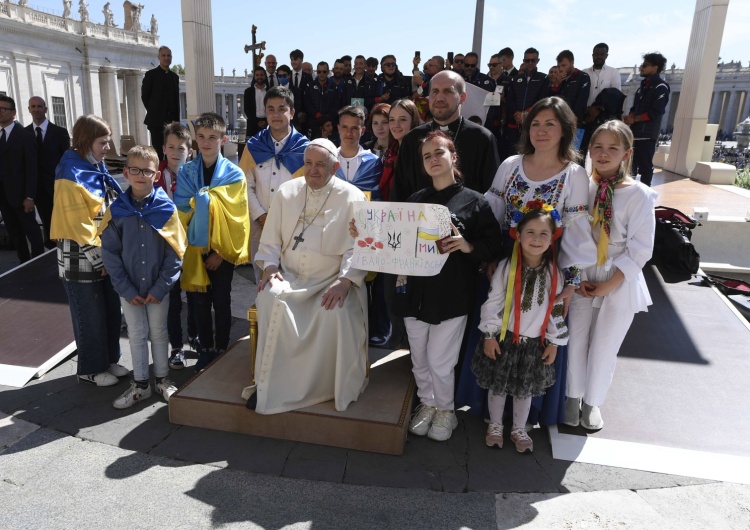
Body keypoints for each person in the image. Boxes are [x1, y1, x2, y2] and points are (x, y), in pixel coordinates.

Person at [459, 97, 597, 425]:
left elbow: (576, 230)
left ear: (565, 130)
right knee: (495, 334)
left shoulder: (575, 174)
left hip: (545, 277)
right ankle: (488, 411)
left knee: (535, 340)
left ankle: (523, 418)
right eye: (535, 123)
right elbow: (492, 216)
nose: (541, 130)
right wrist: (489, 258)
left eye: (550, 123)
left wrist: (571, 281)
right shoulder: (510, 165)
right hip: (504, 270)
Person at [377, 131, 501, 441]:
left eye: (439, 153)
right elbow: (394, 242)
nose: (433, 160)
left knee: (441, 360)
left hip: (451, 295)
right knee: (418, 356)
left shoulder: (475, 201)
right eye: (427, 156)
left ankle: (447, 410)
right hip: (413, 292)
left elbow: (494, 245)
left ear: (453, 157)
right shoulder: (415, 201)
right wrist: (367, 230)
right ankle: (428, 404)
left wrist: (467, 245)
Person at [244, 138, 369, 414]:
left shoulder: (353, 197)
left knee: (334, 312)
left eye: (320, 165)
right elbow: (270, 241)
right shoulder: (287, 192)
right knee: (270, 298)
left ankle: (322, 387)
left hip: (331, 280)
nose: (312, 170)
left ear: (335, 167)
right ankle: (268, 384)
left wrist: (345, 281)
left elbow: (359, 248)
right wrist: (270, 268)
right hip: (288, 276)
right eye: (308, 163)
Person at [565, 120, 657, 430]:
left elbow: (642, 248)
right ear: (588, 149)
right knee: (575, 335)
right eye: (598, 146)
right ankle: (572, 397)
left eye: (613, 148)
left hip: (618, 276)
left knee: (606, 342)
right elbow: (572, 231)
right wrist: (575, 274)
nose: (604, 154)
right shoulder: (582, 186)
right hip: (582, 269)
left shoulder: (640, 195)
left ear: (627, 153)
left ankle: (593, 401)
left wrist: (611, 284)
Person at [473, 205, 568, 453]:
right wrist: (490, 335)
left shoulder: (554, 273)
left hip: (533, 345)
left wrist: (555, 342)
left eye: (543, 233)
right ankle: (495, 425)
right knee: (498, 386)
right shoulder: (506, 267)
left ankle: (518, 428)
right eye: (530, 232)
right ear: (518, 234)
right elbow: (493, 301)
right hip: (504, 340)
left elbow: (556, 311)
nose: (536, 239)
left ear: (553, 238)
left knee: (524, 391)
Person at [100, 145, 187, 408]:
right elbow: (111, 253)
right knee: (137, 334)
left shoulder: (166, 209)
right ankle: (140, 384)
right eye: (134, 170)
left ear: (156, 175)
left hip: (157, 288)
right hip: (130, 289)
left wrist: (161, 287)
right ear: (125, 172)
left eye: (147, 171)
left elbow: (175, 253)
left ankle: (162, 379)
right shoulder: (117, 210)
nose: (140, 175)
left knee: (159, 333)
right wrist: (125, 288)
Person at [50, 114, 126, 386]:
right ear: (86, 140)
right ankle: (90, 369)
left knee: (109, 310)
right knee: (89, 315)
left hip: (102, 255)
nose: (108, 147)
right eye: (102, 142)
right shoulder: (70, 171)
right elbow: (78, 225)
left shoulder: (94, 166)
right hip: (81, 259)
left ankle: (109, 360)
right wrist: (101, 260)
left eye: (108, 141)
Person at [174, 113, 250, 372]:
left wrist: (220, 252)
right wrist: (203, 203)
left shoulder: (234, 174)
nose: (207, 142)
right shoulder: (186, 171)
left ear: (223, 139)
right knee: (198, 302)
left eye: (213, 137)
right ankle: (205, 349)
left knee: (221, 300)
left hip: (220, 253)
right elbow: (181, 208)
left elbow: (237, 217)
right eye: (202, 137)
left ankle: (221, 348)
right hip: (195, 249)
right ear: (196, 139)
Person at [392, 70, 500, 201]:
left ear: (462, 97)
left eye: (448, 91)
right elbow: (400, 192)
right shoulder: (412, 139)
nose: (440, 98)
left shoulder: (482, 138)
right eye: (435, 91)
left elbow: (491, 195)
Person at [240, 86, 309, 283]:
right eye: (270, 109)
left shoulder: (305, 148)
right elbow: (245, 184)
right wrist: (261, 216)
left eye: (282, 109)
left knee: (290, 278)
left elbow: (308, 190)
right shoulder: (253, 146)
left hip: (293, 226)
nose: (276, 114)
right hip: (259, 224)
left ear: (292, 112)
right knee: (261, 278)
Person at [153, 122, 197, 369]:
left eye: (181, 148)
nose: (176, 152)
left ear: (189, 151)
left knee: (195, 294)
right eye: (171, 147)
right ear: (163, 149)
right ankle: (177, 347)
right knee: (173, 298)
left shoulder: (195, 174)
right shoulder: (155, 175)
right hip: (166, 247)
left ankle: (194, 335)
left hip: (192, 244)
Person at [0, 95, 44, 263]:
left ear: (14, 113)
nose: (0, 113)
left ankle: (39, 262)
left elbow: (32, 169)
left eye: (3, 109)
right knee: (14, 233)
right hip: (3, 196)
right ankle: (23, 263)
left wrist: (30, 196)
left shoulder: (25, 136)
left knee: (32, 231)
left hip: (22, 196)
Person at [26, 96, 71, 249]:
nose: (36, 109)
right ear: (29, 110)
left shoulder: (59, 132)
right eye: (33, 106)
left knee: (61, 218)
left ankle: (64, 246)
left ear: (45, 109)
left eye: (39, 106)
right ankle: (51, 251)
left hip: (57, 184)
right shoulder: (24, 134)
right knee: (46, 219)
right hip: (37, 187)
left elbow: (66, 160)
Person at [623, 52, 670, 187]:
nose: (641, 68)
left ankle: (644, 196)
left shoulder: (661, 87)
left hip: (647, 135)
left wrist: (635, 119)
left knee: (645, 168)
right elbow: (635, 106)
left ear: (655, 68)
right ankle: (630, 193)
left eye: (645, 65)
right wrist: (630, 116)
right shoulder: (642, 87)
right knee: (630, 167)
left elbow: (656, 112)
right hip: (635, 134)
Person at [503, 48, 549, 161]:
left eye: (532, 60)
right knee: (513, 157)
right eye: (527, 60)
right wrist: (517, 115)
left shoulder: (544, 79)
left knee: (532, 156)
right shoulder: (515, 80)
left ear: (537, 61)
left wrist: (527, 114)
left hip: (533, 125)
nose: (530, 63)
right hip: (515, 126)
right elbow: (510, 101)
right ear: (523, 60)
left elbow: (543, 100)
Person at [141, 46, 180, 158]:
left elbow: (176, 100)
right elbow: (145, 97)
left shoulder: (174, 77)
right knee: (158, 151)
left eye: (169, 55)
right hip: (156, 122)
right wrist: (155, 111)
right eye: (163, 55)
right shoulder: (151, 75)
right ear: (158, 57)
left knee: (172, 150)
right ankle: (159, 174)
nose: (166, 58)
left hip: (172, 122)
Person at [335, 106, 382, 197]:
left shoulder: (373, 162)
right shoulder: (328, 159)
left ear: (363, 130)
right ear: (339, 128)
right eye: (345, 127)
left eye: (354, 128)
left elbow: (376, 199)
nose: (349, 133)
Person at [305, 61, 341, 138]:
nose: (321, 73)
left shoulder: (334, 87)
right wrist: (316, 114)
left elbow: (337, 104)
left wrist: (327, 117)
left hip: (329, 123)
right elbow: (307, 103)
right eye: (319, 71)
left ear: (328, 72)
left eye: (324, 71)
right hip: (314, 123)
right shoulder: (310, 86)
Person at [556, 50, 591, 127]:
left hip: (575, 121)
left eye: (564, 65)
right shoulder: (559, 79)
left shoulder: (583, 77)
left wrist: (576, 116)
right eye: (559, 66)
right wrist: (556, 84)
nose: (561, 69)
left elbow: (582, 99)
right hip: (559, 119)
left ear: (572, 63)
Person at [243, 66, 269, 139]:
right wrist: (257, 122)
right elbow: (246, 109)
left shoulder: (270, 91)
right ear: (254, 77)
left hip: (268, 125)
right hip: (252, 126)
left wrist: (266, 122)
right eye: (257, 75)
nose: (259, 77)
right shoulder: (248, 92)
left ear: (265, 76)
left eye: (261, 75)